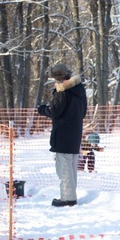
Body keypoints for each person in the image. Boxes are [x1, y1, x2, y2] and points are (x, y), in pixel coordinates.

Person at [37, 63, 87, 207]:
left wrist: (41, 109)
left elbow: (54, 111)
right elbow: (83, 112)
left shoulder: (62, 92)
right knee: (71, 167)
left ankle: (68, 198)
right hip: (75, 133)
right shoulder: (79, 90)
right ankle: (70, 195)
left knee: (64, 168)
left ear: (58, 78)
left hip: (63, 133)